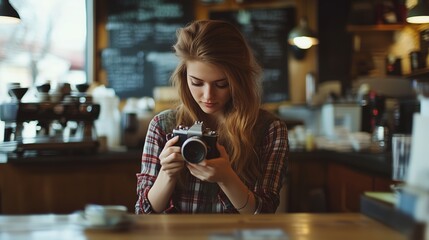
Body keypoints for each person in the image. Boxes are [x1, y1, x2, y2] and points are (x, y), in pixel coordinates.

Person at [135, 19, 288, 214]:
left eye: (221, 84)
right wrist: (167, 173)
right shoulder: (163, 126)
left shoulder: (269, 130)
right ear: (184, 77)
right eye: (197, 83)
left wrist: (226, 178)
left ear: (239, 80)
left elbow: (264, 214)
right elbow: (143, 212)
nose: (208, 96)